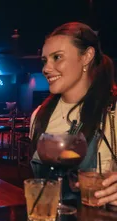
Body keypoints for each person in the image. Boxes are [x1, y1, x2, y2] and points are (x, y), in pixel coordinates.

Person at [30, 22, 117, 206]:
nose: (46, 68)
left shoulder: (112, 112)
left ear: (86, 56)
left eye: (57, 57)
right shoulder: (39, 115)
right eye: (45, 60)